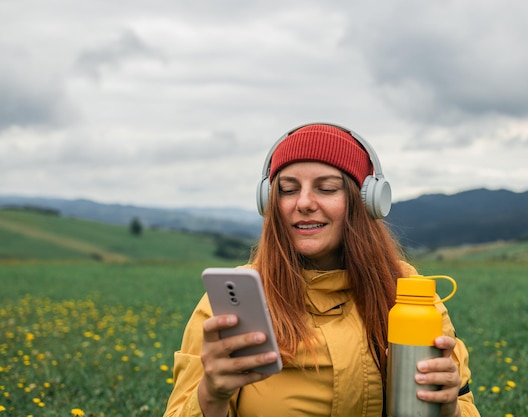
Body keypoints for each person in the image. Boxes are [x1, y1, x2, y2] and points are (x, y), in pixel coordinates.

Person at [164, 123, 480, 417]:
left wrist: (449, 407)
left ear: (366, 202)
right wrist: (211, 395)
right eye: (287, 189)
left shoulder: (409, 295)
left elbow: (464, 407)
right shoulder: (230, 304)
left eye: (326, 188)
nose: (303, 202)